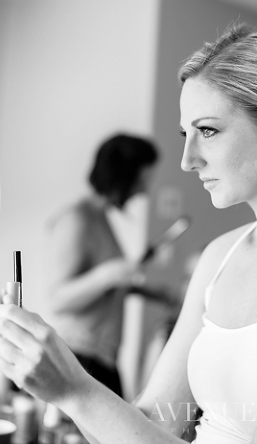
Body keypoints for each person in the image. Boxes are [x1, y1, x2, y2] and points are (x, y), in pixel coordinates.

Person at [0, 24, 257, 443]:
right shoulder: (218, 257)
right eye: (186, 134)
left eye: (208, 131)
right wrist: (57, 382)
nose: (187, 160)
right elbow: (154, 422)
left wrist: (77, 390)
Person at [45, 134, 158, 396]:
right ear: (125, 174)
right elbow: (57, 299)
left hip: (103, 358)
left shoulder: (101, 219)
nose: (145, 188)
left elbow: (104, 291)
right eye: (143, 178)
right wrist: (108, 275)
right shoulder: (77, 220)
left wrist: (154, 293)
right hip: (80, 358)